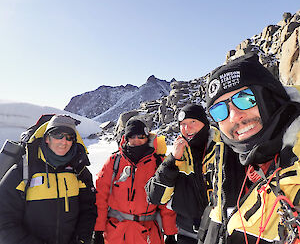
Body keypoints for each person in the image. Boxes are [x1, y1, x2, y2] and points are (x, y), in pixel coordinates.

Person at [200, 53, 300, 244]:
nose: (234, 116)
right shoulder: (229, 164)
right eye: (219, 111)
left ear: (270, 95)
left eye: (245, 98)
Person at [0, 114, 97, 244]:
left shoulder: (79, 171)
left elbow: (88, 210)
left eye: (69, 137)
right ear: (47, 138)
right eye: (58, 135)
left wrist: (81, 240)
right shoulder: (23, 171)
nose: (64, 141)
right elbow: (4, 220)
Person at [93, 118, 178, 244]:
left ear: (147, 137)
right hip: (115, 233)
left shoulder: (159, 163)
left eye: (141, 136)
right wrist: (98, 230)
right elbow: (101, 198)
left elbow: (166, 201)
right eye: (132, 136)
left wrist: (170, 233)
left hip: (148, 234)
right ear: (126, 138)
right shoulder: (114, 161)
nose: (136, 140)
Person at [146, 104, 217, 244]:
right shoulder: (178, 156)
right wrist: (172, 160)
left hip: (220, 232)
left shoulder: (223, 147)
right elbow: (154, 197)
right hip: (187, 234)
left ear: (204, 123)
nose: (187, 128)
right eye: (183, 124)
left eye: (193, 122)